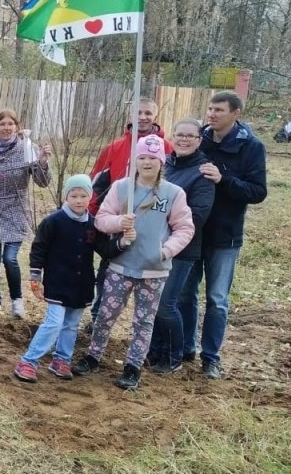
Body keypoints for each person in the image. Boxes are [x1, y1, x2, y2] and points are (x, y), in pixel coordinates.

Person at [73, 135, 195, 390]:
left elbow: (184, 228)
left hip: (153, 270)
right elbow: (101, 219)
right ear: (135, 160)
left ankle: (133, 366)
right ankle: (93, 356)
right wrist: (119, 223)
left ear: (161, 162)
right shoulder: (121, 188)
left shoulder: (173, 193)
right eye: (142, 157)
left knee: (144, 321)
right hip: (120, 266)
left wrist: (165, 251)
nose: (147, 162)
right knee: (105, 315)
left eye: (153, 158)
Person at [180, 91, 267, 379]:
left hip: (225, 236)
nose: (212, 114)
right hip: (193, 232)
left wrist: (223, 179)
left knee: (217, 299)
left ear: (235, 114)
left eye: (219, 110)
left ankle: (211, 358)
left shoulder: (251, 146)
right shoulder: (199, 139)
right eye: (210, 109)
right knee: (185, 294)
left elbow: (258, 191)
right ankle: (186, 348)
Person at [12, 175, 128, 383]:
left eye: (83, 196)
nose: (78, 200)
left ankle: (61, 359)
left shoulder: (94, 224)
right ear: (66, 197)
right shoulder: (53, 221)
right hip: (57, 282)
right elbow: (39, 249)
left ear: (90, 197)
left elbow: (105, 250)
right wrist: (35, 276)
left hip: (81, 285)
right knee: (54, 323)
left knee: (71, 324)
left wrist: (123, 242)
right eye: (74, 196)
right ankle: (29, 361)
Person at [87, 98, 173, 323]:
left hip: (153, 223)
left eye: (148, 113)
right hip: (119, 222)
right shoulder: (115, 147)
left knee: (150, 279)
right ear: (130, 115)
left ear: (155, 116)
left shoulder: (167, 148)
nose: (142, 117)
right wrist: (93, 215)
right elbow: (97, 183)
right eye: (138, 112)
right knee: (108, 270)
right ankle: (98, 318)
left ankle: (146, 324)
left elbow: (173, 187)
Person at [148, 118, 215, 374]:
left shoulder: (203, 172)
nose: (184, 140)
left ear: (199, 140)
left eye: (190, 136)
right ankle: (154, 350)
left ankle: (174, 355)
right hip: (153, 246)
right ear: (172, 137)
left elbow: (197, 214)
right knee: (154, 302)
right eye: (179, 135)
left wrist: (163, 228)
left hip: (183, 249)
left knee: (166, 303)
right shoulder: (164, 164)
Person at [0, 110, 52, 319]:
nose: (6, 128)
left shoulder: (27, 149)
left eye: (10, 124)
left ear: (17, 127)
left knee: (10, 258)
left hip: (16, 209)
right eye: (2, 124)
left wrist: (42, 161)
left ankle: (17, 301)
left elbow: (42, 182)